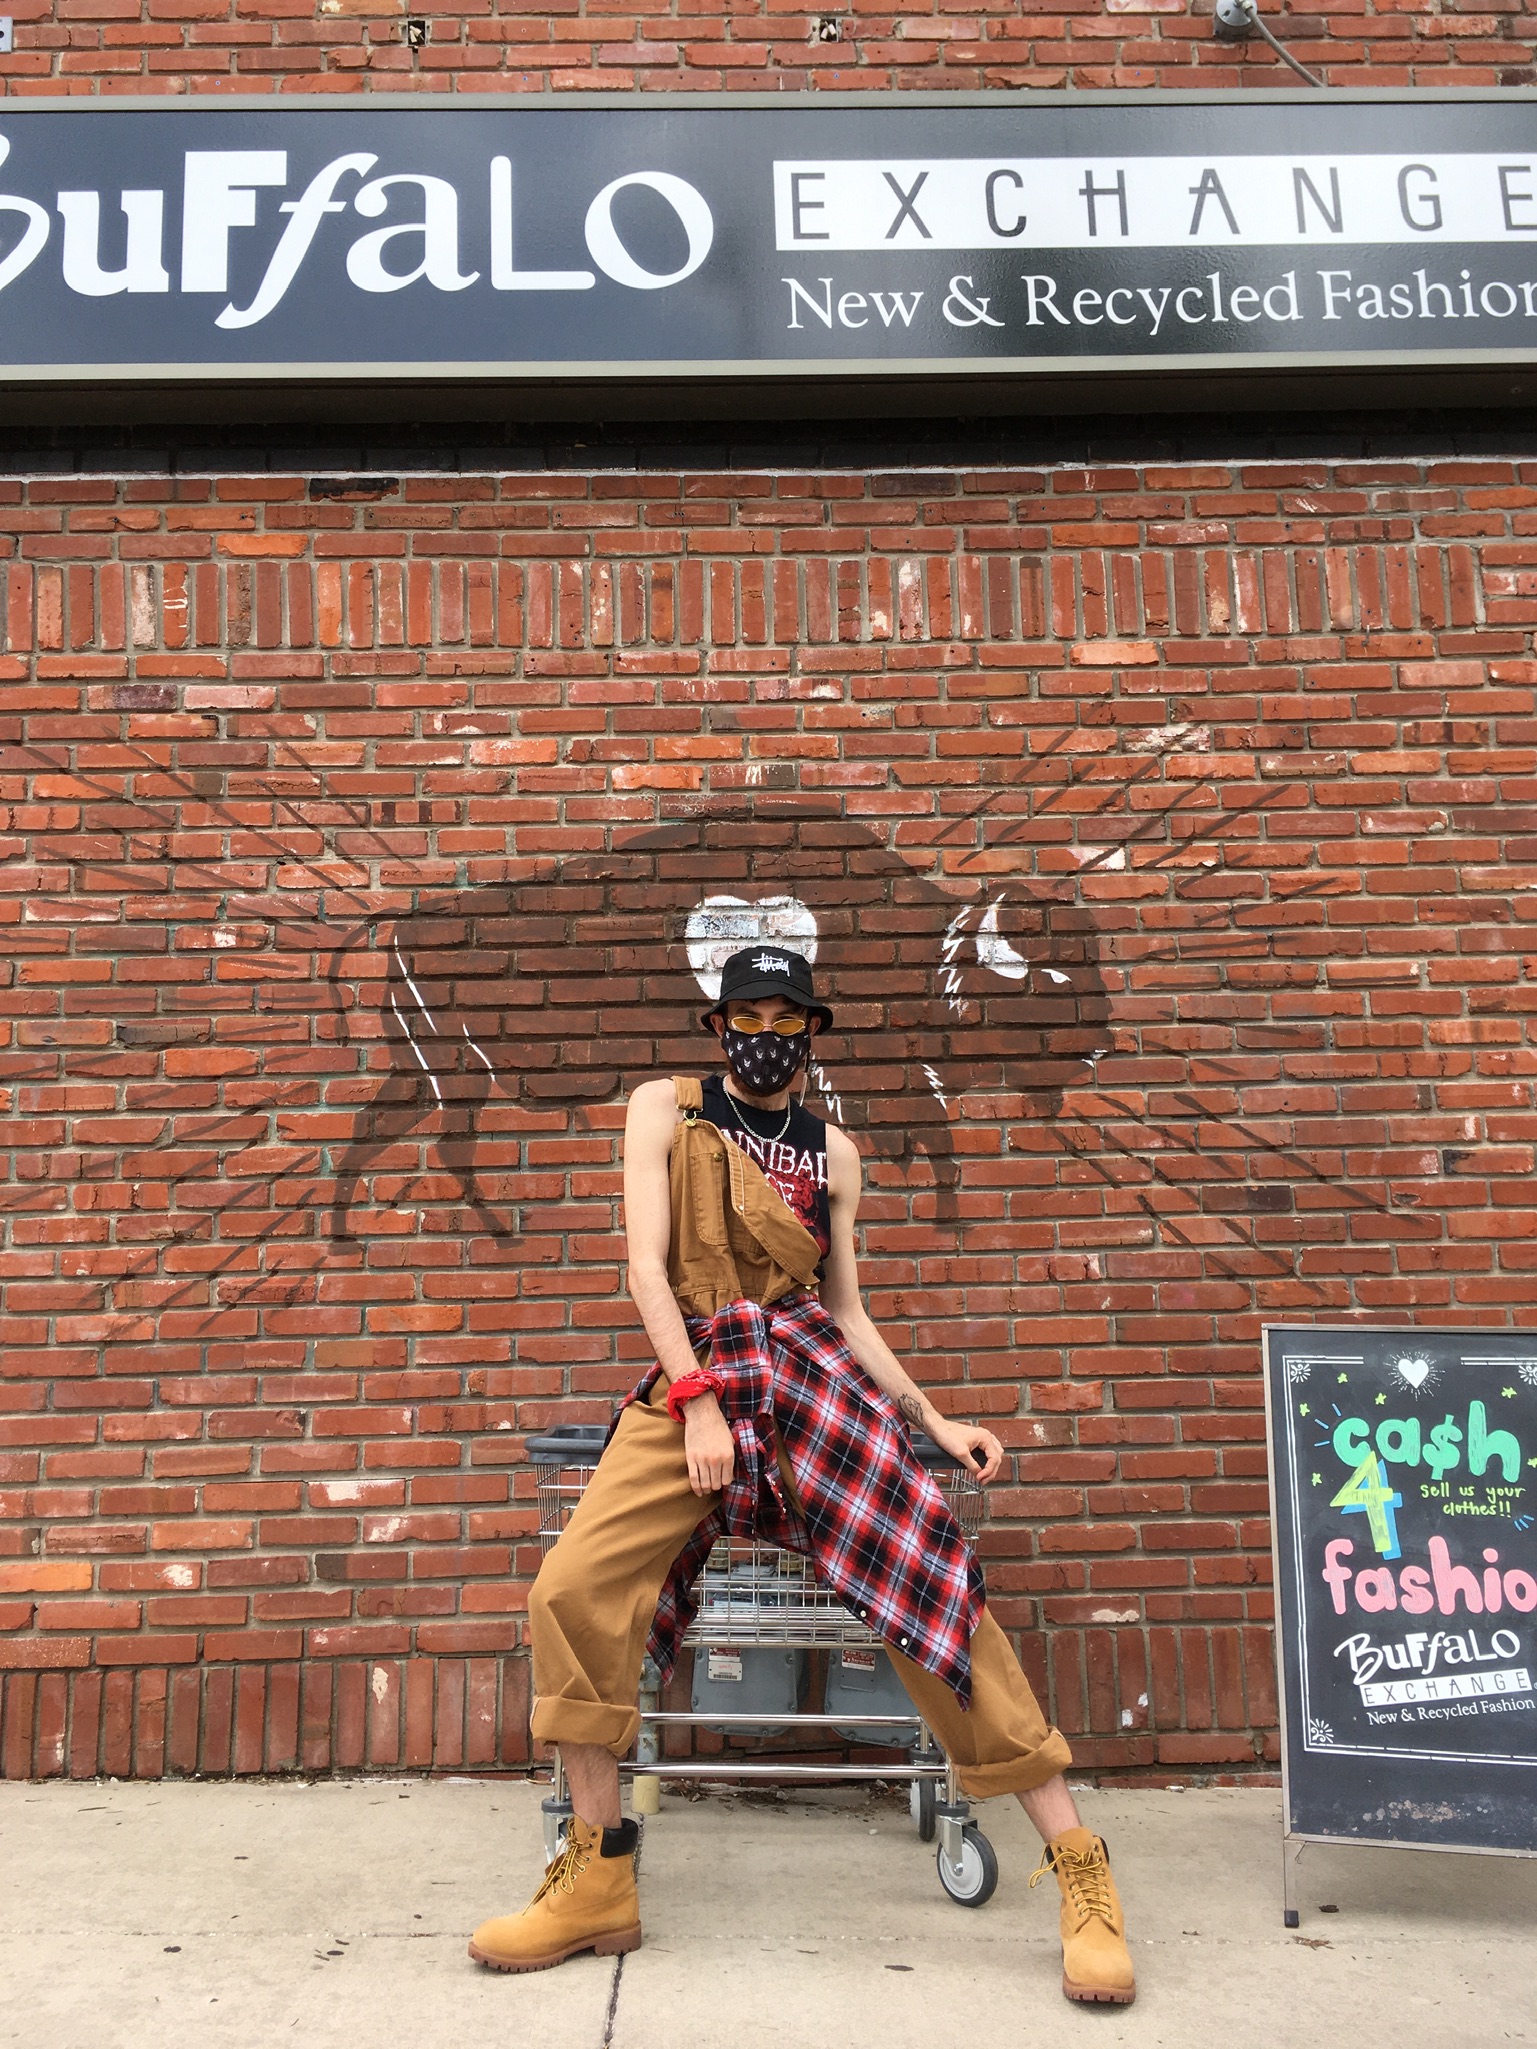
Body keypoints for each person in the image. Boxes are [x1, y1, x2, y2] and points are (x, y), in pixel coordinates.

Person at [469, 946, 1136, 2006]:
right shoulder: (666, 1111)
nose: (765, 1033)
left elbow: (848, 1311)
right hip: (698, 1374)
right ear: (718, 1021)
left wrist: (929, 1417)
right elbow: (646, 1267)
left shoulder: (834, 1151)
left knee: (929, 1590)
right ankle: (595, 1878)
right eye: (749, 1013)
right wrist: (691, 1401)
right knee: (572, 1589)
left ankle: (1080, 1869)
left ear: (811, 1031)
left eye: (787, 1017)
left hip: (806, 1378)